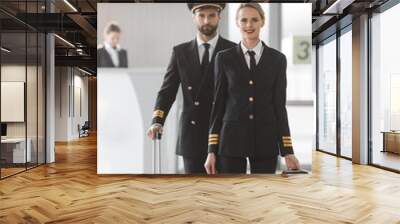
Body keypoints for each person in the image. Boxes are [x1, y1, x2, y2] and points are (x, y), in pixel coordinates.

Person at [204, 3, 300, 174]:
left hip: (266, 141)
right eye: (244, 20)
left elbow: (279, 106)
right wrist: (211, 150)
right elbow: (218, 105)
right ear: (237, 23)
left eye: (254, 19)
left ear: (262, 22)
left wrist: (287, 150)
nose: (249, 25)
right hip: (231, 141)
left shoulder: (278, 59)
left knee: (263, 196)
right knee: (232, 197)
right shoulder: (223, 58)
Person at [147, 3, 236, 174]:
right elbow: (167, 91)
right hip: (192, 136)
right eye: (201, 15)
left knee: (226, 194)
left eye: (211, 15)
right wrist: (157, 120)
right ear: (194, 17)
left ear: (219, 17)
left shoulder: (233, 50)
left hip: (225, 134)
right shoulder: (180, 52)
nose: (206, 21)